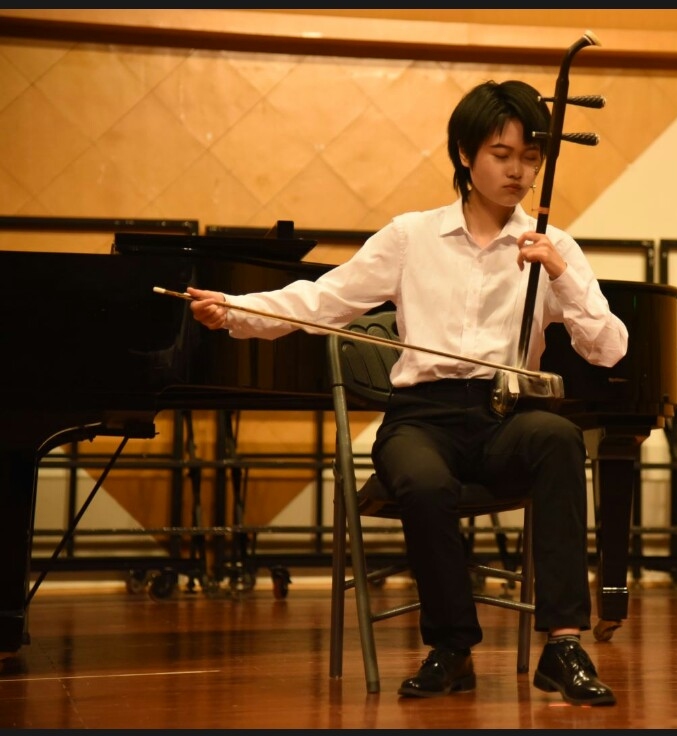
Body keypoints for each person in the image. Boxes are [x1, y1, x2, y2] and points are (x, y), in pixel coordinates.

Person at [187, 79, 626, 707]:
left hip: (506, 417)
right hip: (423, 417)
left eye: (531, 159)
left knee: (558, 439)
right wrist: (234, 309)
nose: (518, 172)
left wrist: (562, 275)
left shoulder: (552, 247)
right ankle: (452, 647)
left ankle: (562, 645)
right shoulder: (411, 236)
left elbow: (609, 349)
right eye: (502, 155)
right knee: (422, 480)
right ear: (465, 155)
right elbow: (323, 300)